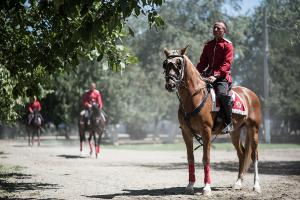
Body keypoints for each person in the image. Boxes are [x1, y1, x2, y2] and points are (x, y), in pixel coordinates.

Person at [196, 21, 234, 134]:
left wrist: (216, 75)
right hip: (207, 76)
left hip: (222, 77)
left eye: (218, 28)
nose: (215, 29)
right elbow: (202, 62)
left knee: (221, 94)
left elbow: (227, 64)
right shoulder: (208, 45)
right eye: (214, 28)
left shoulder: (228, 45)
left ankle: (228, 122)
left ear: (224, 31)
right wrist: (197, 73)